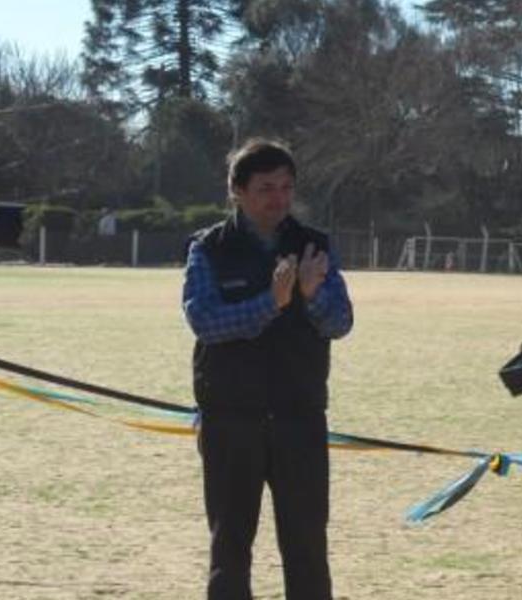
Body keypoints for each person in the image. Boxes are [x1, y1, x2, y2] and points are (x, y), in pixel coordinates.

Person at [182, 138, 353, 600]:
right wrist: (270, 303)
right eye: (265, 188)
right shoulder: (209, 249)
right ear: (236, 190)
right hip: (230, 421)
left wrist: (314, 295)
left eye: (286, 187)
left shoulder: (314, 246)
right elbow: (205, 322)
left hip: (300, 419)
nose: (279, 198)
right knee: (230, 548)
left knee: (307, 549)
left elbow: (341, 323)